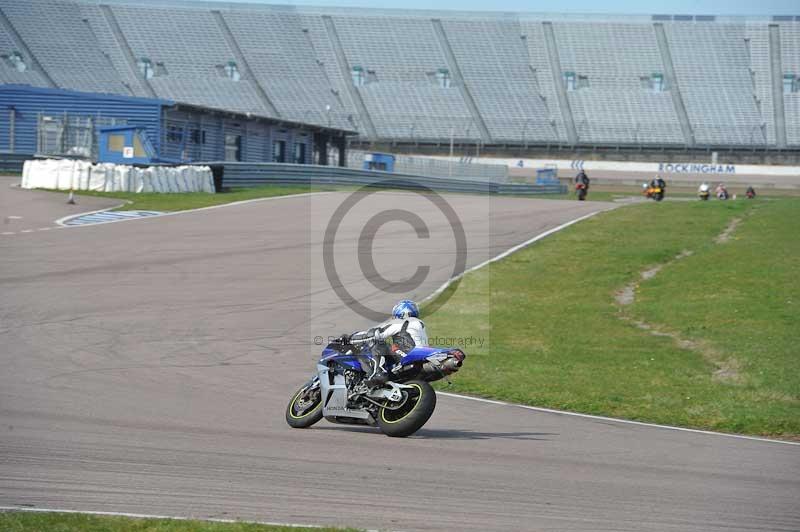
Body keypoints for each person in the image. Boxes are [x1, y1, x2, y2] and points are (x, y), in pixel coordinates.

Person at [347, 299, 428, 387]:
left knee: (378, 342)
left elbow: (376, 334)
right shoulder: (420, 325)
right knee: (391, 348)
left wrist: (350, 338)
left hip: (407, 354)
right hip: (421, 358)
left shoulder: (401, 322)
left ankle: (379, 373)